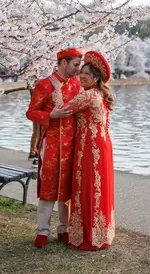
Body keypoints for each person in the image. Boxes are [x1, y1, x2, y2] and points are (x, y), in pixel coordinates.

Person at [58, 50, 115, 250]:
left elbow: (64, 108)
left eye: (87, 74)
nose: (81, 76)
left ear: (96, 77)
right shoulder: (99, 95)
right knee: (98, 187)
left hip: (90, 147)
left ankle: (88, 236)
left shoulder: (89, 95)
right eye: (80, 72)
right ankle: (100, 232)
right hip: (102, 144)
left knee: (88, 186)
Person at [26, 48, 83, 249]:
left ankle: (63, 229)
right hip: (50, 144)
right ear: (63, 62)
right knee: (49, 187)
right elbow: (31, 113)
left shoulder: (77, 84)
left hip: (72, 144)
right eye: (75, 65)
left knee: (67, 188)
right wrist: (51, 116)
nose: (78, 69)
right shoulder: (44, 85)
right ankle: (42, 232)